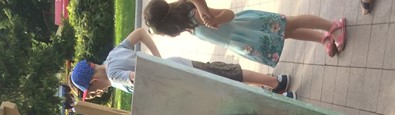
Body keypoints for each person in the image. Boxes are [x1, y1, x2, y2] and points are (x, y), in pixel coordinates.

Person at [70, 27, 296, 100]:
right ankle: (276, 82)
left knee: (226, 90)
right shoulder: (113, 55)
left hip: (179, 80)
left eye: (92, 91)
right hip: (178, 64)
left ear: (93, 80)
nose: (97, 93)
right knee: (225, 73)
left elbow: (139, 77)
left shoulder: (114, 76)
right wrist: (157, 58)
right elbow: (140, 32)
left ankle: (282, 98)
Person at [143, 0, 347, 62]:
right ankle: (322, 38)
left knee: (291, 23)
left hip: (248, 25)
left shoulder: (194, 14)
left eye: (165, 33)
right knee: (287, 34)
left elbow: (229, 14)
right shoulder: (189, 26)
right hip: (244, 37)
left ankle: (332, 26)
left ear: (169, 25)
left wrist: (213, 18)